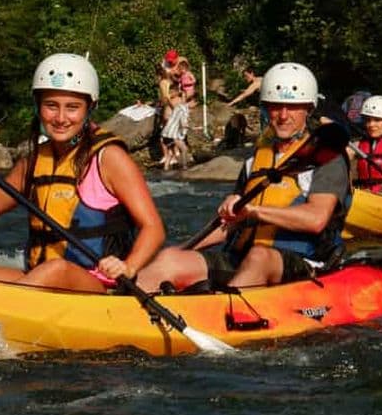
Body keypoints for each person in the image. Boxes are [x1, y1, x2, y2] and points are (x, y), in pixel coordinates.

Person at [0, 53, 166, 293]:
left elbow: (154, 228)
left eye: (72, 108)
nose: (60, 118)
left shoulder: (109, 158)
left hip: (100, 287)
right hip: (41, 280)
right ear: (38, 106)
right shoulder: (35, 161)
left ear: (90, 108)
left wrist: (128, 267)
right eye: (51, 106)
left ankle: (4, 311)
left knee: (57, 269)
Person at [137, 62, 351, 293]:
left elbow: (316, 219)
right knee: (171, 258)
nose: (283, 115)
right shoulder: (256, 160)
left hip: (305, 264)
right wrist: (184, 248)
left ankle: (222, 311)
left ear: (308, 109)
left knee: (259, 257)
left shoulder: (327, 159)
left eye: (293, 107)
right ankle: (122, 306)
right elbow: (231, 222)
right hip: (242, 258)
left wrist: (254, 211)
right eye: (275, 107)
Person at [160, 86, 190, 169]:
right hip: (171, 132)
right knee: (183, 149)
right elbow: (182, 121)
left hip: (169, 132)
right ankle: (183, 166)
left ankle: (166, 168)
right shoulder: (182, 107)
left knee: (171, 152)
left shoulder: (179, 105)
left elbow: (179, 117)